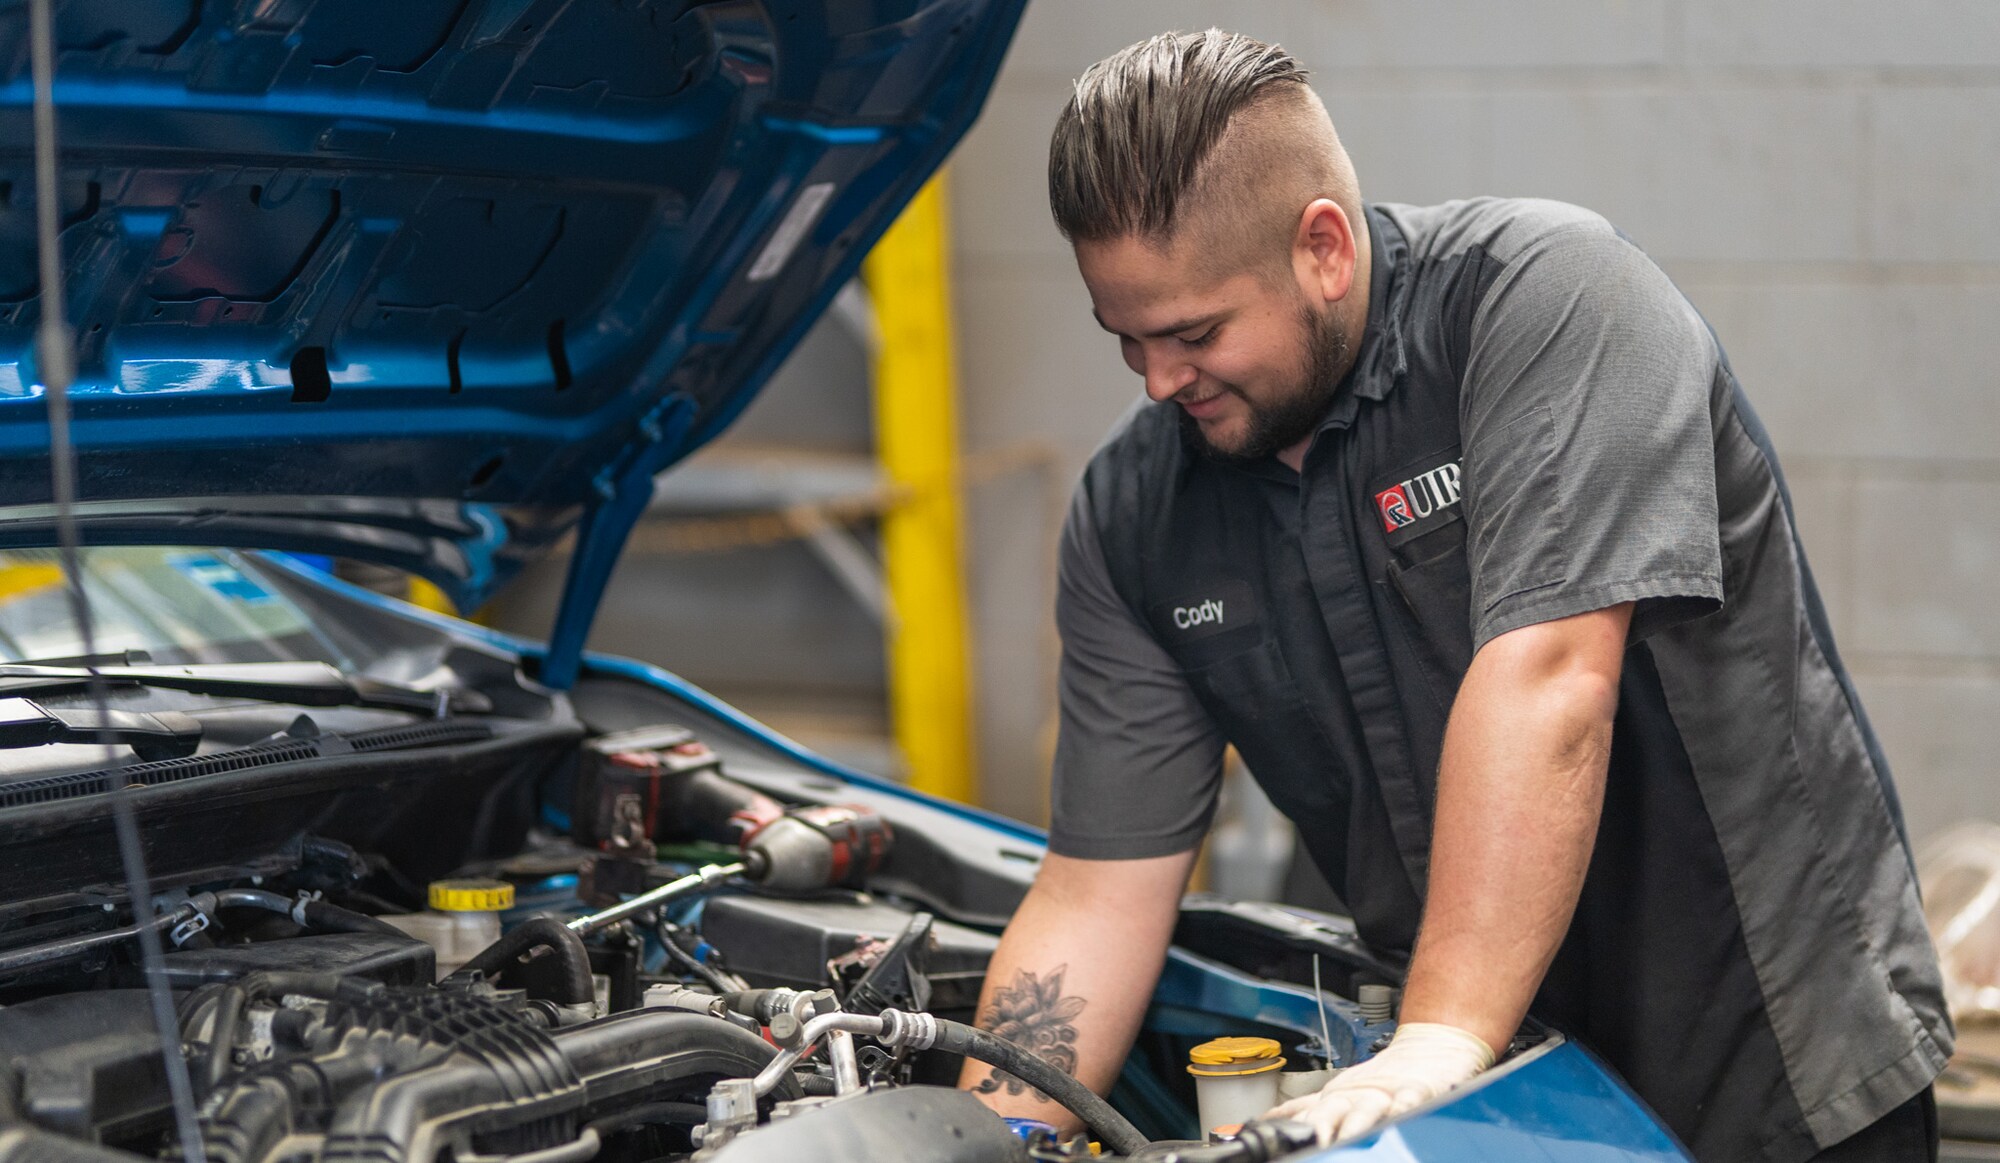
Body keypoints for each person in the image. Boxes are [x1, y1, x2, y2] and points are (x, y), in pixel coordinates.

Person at [959, 29, 1951, 1163]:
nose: (1157, 379)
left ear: (1320, 248)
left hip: (1755, 1058)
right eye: (1123, 338)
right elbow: (1098, 889)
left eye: (1193, 332)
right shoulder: (1136, 511)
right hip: (1497, 1101)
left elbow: (1549, 680)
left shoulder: (1544, 306)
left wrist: (1436, 1039)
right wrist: (997, 1128)